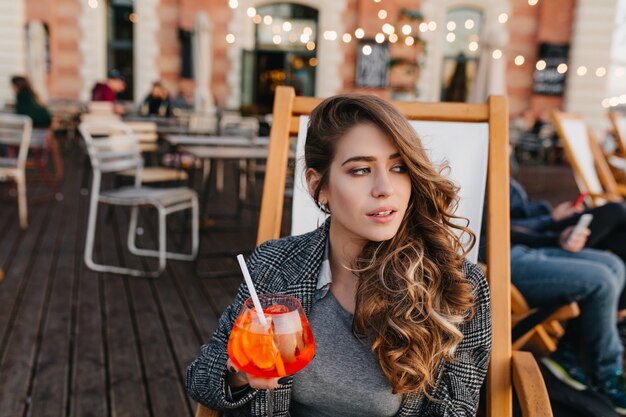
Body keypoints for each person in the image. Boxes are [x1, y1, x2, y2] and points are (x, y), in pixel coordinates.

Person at [186, 94, 492, 416]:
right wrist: (240, 374)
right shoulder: (274, 265)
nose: (385, 188)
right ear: (320, 186)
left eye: (399, 167)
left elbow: (457, 407)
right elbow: (201, 379)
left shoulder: (457, 286)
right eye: (360, 170)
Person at [496, 179, 626, 413]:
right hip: (498, 254)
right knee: (602, 281)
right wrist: (552, 227)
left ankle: (571, 355)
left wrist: (551, 215)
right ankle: (604, 375)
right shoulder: (474, 165)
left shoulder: (497, 171)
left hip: (524, 243)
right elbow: (492, 228)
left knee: (615, 265)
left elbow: (517, 211)